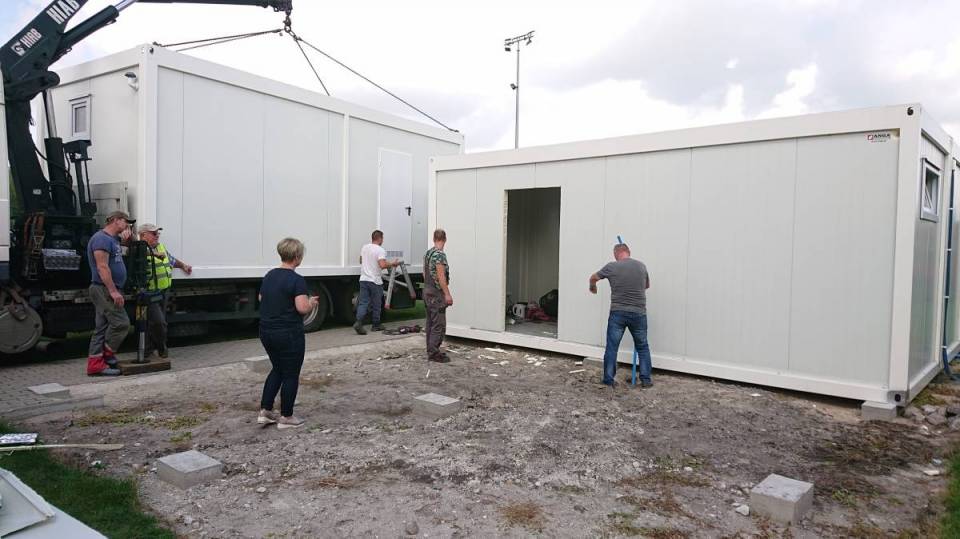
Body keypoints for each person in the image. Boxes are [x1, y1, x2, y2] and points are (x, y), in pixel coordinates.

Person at [257, 238, 319, 429]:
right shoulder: (296, 280)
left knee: (277, 368)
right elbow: (302, 308)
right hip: (288, 333)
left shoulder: (269, 275)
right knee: (291, 373)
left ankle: (265, 411)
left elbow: (261, 297)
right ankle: (286, 416)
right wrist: (311, 303)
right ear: (297, 256)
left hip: (266, 331)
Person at [589, 243, 652, 388]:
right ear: (628, 252)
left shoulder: (612, 267)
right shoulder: (641, 266)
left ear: (616, 253)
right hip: (639, 313)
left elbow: (593, 277)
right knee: (643, 347)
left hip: (618, 313)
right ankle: (646, 380)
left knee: (612, 347)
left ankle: (608, 380)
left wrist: (592, 287)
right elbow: (647, 286)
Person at [86, 210, 134, 376]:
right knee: (121, 323)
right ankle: (107, 354)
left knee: (101, 327)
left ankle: (95, 364)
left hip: (107, 288)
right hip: (104, 289)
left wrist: (128, 240)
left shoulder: (112, 240)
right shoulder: (102, 239)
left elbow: (125, 248)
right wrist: (113, 291)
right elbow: (102, 267)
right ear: (115, 220)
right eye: (126, 221)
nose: (127, 225)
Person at [137, 224, 192, 359]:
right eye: (153, 233)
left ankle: (148, 351)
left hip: (163, 292)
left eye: (158, 233)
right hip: (149, 294)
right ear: (143, 235)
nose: (157, 236)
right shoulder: (139, 249)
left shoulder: (160, 247)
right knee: (159, 322)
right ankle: (161, 347)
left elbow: (171, 260)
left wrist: (183, 265)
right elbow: (135, 252)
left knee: (153, 323)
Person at [353, 229, 400, 335]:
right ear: (380, 238)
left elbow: (361, 260)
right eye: (382, 238)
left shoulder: (365, 247)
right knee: (377, 303)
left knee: (363, 302)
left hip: (364, 279)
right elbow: (382, 265)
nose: (383, 240)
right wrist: (392, 264)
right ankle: (376, 324)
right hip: (375, 281)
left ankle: (358, 322)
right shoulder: (380, 250)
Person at [423, 229, 452, 362]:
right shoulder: (440, 255)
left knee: (430, 322)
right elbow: (441, 277)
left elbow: (424, 274)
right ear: (445, 239)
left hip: (427, 290)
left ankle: (430, 349)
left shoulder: (428, 254)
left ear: (434, 239)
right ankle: (434, 352)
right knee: (439, 324)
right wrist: (447, 294)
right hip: (436, 293)